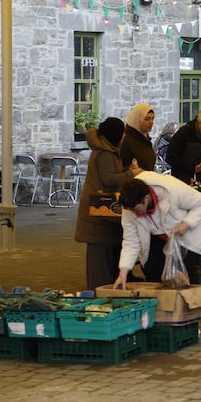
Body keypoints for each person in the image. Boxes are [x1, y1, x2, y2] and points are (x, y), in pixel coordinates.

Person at [74, 117, 143, 291]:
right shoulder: (104, 153)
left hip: (102, 213)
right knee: (100, 263)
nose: (124, 137)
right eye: (122, 134)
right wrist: (130, 174)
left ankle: (105, 291)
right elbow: (109, 179)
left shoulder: (107, 149)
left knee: (105, 259)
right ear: (116, 135)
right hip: (99, 215)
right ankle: (99, 295)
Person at [113, 171, 201, 289]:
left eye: (137, 209)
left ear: (146, 197)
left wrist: (186, 224)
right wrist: (123, 272)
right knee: (152, 269)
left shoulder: (172, 189)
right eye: (132, 210)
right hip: (158, 234)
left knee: (184, 270)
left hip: (187, 231)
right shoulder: (129, 204)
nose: (135, 213)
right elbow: (131, 241)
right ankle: (159, 302)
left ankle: (191, 302)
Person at [120, 103, 156, 171]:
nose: (151, 122)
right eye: (147, 119)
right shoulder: (126, 140)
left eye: (152, 118)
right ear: (137, 120)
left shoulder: (145, 139)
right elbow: (119, 167)